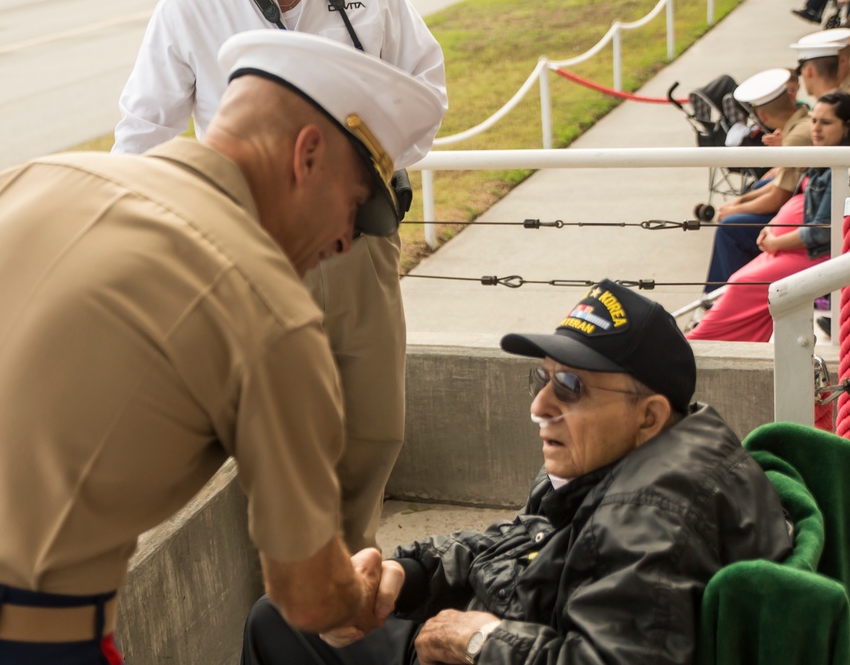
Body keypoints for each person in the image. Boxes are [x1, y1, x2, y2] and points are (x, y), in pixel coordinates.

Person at [0, 30, 446, 665]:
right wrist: (360, 595)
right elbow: (304, 598)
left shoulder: (9, 185)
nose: (346, 242)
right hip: (3, 644)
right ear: (306, 155)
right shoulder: (270, 311)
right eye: (355, 205)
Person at [240, 280, 794, 665]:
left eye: (572, 387)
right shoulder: (627, 461)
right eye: (542, 378)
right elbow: (524, 540)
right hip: (520, 632)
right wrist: (405, 572)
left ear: (648, 416)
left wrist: (482, 641)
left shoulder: (650, 514)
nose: (541, 404)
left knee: (280, 622)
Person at [113, 0, 448, 553]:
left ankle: (352, 576)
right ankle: (295, 599)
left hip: (357, 236)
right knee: (278, 437)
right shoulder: (188, 8)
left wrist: (358, 163)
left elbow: (426, 92)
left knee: (374, 423)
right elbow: (144, 129)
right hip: (253, 250)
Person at [687, 92, 850, 342]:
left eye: (826, 123)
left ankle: (705, 340)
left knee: (744, 282)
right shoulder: (822, 154)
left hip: (818, 255)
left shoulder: (839, 167)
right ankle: (718, 336)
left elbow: (822, 230)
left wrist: (775, 242)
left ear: (847, 126)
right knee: (738, 280)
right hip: (799, 249)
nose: (816, 129)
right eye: (814, 120)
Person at [702, 68, 812, 293]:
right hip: (803, 207)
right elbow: (776, 185)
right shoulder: (798, 126)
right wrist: (737, 204)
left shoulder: (796, 137)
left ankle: (720, 298)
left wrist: (734, 210)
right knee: (758, 188)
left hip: (803, 216)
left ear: (762, 116)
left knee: (731, 228)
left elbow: (778, 197)